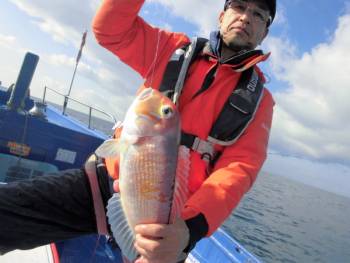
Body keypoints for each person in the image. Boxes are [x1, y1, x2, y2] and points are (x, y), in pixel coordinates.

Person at [0, 0, 276, 262]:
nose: (245, 17)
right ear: (222, 15)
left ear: (265, 31)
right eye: (239, 6)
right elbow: (110, 31)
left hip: (166, 220)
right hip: (104, 182)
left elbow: (239, 170)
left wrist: (187, 230)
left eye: (258, 14)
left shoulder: (261, 102)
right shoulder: (174, 48)